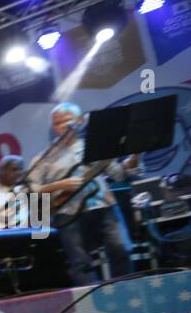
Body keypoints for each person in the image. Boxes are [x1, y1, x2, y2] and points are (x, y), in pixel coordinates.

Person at [27, 102, 139, 284]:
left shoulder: (96, 146)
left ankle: (125, 292)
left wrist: (135, 156)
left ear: (80, 121)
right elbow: (29, 188)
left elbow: (119, 175)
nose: (63, 126)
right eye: (58, 123)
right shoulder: (44, 158)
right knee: (80, 263)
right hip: (68, 214)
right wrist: (58, 185)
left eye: (68, 120)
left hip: (103, 205)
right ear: (53, 127)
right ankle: (92, 306)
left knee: (121, 249)